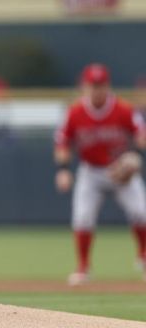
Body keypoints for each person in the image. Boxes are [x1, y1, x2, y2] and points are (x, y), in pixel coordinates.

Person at [54, 63, 146, 286]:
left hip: (120, 170)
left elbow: (140, 135)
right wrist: (63, 170)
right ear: (85, 86)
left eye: (101, 85)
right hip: (91, 171)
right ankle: (83, 267)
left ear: (108, 85)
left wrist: (134, 156)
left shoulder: (123, 109)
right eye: (93, 85)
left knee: (141, 211)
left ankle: (143, 257)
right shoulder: (75, 112)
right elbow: (63, 143)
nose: (97, 89)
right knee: (82, 217)